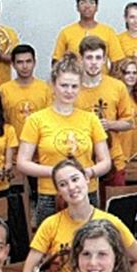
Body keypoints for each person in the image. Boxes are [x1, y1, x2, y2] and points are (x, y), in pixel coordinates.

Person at [23, 158, 137, 272]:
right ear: (58, 191)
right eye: (63, 184)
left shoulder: (110, 222)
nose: (71, 187)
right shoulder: (50, 225)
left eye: (75, 179)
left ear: (87, 179)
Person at [17, 54, 112, 225]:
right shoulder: (36, 120)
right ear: (53, 86)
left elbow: (105, 161)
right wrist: (57, 173)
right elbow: (23, 162)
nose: (69, 91)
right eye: (64, 85)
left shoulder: (90, 119)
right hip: (50, 194)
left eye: (74, 86)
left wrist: (89, 172)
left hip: (86, 193)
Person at [76, 36, 134, 186]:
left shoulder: (117, 86)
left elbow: (129, 122)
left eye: (98, 57)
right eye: (89, 57)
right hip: (81, 161)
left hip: (114, 159)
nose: (94, 62)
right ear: (81, 59)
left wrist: (109, 124)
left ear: (104, 60)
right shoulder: (72, 88)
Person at [52, 0, 125, 65]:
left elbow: (117, 61)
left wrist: (107, 77)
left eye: (91, 2)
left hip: (100, 76)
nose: (87, 6)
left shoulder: (108, 32)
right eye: (83, 2)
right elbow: (56, 61)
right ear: (77, 7)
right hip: (75, 76)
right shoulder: (66, 32)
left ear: (97, 8)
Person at [0, 45, 53, 135]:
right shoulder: (3, 90)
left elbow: (49, 120)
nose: (25, 66)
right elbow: (1, 121)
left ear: (34, 63)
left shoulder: (46, 89)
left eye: (28, 61)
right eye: (20, 62)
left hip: (39, 144)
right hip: (12, 145)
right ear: (13, 64)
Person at [112, 57, 137, 173]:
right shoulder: (115, 96)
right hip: (121, 152)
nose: (131, 76)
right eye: (127, 73)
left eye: (134, 73)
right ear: (120, 74)